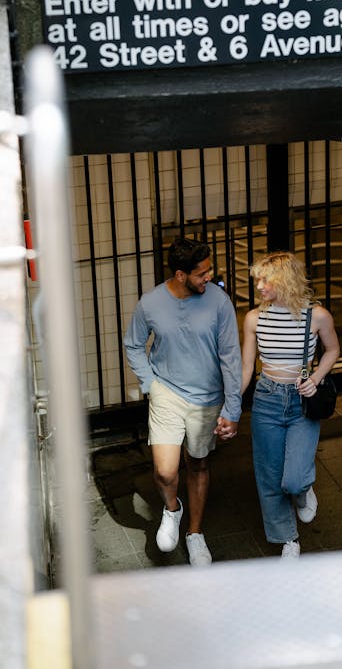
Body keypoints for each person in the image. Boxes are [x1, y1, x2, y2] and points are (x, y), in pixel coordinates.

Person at [124, 237, 242, 566]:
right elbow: (133, 344)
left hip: (207, 399)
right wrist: (150, 384)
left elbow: (231, 357)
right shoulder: (150, 304)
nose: (210, 277)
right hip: (167, 394)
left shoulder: (219, 302)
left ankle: (194, 533)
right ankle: (172, 509)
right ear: (180, 275)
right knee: (165, 472)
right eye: (202, 274)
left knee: (199, 464)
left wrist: (232, 409)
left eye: (209, 271)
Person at [241, 251, 340, 559]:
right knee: (269, 476)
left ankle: (302, 490)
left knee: (294, 477)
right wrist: (230, 408)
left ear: (285, 280)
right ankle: (288, 540)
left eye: (264, 279)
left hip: (302, 400)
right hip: (267, 398)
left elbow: (333, 350)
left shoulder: (317, 315)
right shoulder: (254, 319)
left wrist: (316, 377)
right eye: (257, 278)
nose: (258, 285)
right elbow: (246, 369)